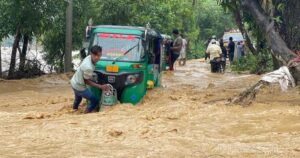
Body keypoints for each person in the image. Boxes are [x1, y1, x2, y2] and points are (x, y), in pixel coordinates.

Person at [70, 45, 110, 113]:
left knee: (78, 98)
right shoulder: (88, 67)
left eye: (99, 55)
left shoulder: (88, 57)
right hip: (79, 86)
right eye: (95, 55)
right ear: (91, 54)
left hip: (74, 81)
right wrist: (100, 86)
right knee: (95, 101)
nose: (97, 57)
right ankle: (86, 114)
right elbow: (87, 81)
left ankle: (74, 110)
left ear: (101, 54)